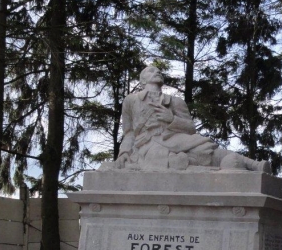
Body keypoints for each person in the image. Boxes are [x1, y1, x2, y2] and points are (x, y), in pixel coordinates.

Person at [109, 66, 270, 172]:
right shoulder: (131, 101)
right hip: (148, 146)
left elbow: (190, 128)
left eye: (159, 71)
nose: (157, 72)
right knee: (187, 160)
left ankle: (252, 165)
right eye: (151, 71)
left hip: (174, 138)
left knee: (206, 149)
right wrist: (124, 153)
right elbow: (129, 133)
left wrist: (171, 119)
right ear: (142, 80)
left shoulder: (175, 102)